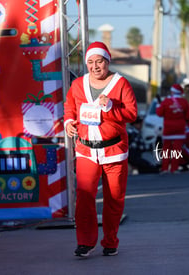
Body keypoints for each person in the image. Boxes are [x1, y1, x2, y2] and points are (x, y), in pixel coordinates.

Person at [64, 41, 137, 257]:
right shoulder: (78, 84)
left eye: (99, 61)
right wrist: (68, 121)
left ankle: (110, 241)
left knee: (113, 199)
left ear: (107, 61)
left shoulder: (121, 84)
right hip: (86, 151)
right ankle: (85, 242)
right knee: (84, 198)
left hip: (114, 150)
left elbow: (132, 114)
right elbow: (70, 106)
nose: (95, 66)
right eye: (90, 62)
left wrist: (111, 106)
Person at [156, 84, 189, 174]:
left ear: (172, 91)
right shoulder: (184, 102)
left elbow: (159, 113)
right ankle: (174, 168)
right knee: (177, 150)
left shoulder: (166, 101)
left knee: (166, 150)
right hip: (180, 129)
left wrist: (158, 105)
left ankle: (164, 169)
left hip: (168, 129)